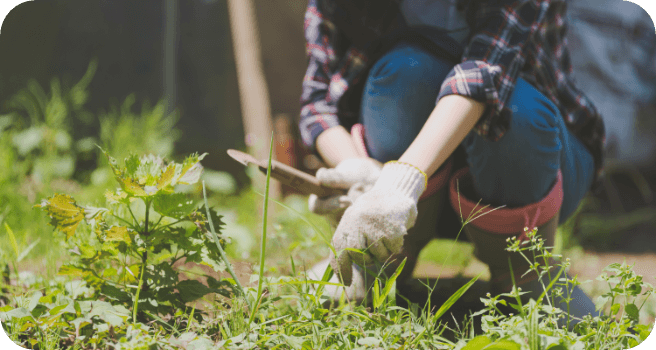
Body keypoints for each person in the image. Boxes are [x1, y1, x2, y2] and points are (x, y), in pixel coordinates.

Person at [299, 0, 605, 330]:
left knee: (516, 110)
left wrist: (402, 180)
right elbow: (317, 104)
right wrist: (362, 173)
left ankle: (527, 276)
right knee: (407, 69)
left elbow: (481, 76)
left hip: (536, 162)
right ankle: (384, 257)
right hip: (414, 185)